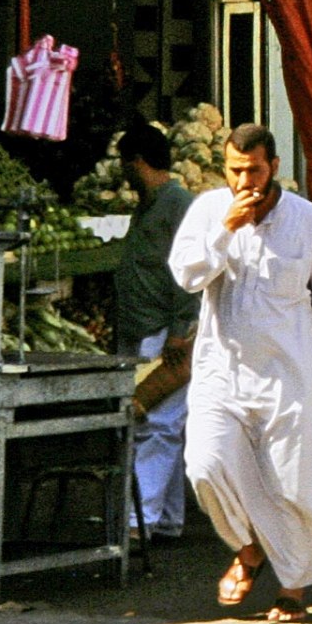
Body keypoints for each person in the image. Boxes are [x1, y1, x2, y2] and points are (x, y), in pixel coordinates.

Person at [169, 123, 312, 624]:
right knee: (205, 466)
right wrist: (226, 230)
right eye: (235, 170)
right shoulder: (209, 211)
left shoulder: (308, 220)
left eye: (254, 170)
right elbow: (187, 275)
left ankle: (293, 588)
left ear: (274, 167)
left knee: (293, 485)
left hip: (289, 376)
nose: (244, 181)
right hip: (221, 373)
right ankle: (248, 546)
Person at [114, 122, 197, 542]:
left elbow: (190, 275)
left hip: (165, 331)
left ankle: (138, 521)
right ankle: (165, 520)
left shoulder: (178, 204)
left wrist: (179, 332)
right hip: (143, 328)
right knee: (160, 425)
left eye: (124, 163)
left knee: (156, 423)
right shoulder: (148, 206)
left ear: (137, 162)